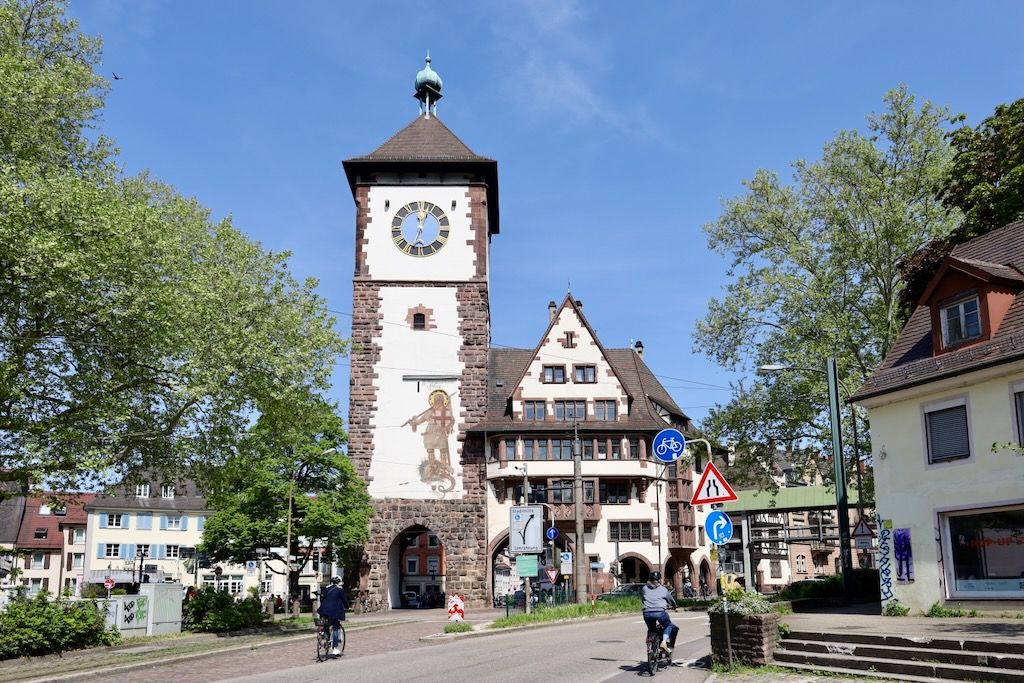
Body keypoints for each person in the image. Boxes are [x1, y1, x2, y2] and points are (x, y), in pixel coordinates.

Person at [641, 571, 678, 654]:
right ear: (660, 580)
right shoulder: (663, 589)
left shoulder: (644, 588)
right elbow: (671, 600)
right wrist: (674, 606)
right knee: (668, 626)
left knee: (651, 629)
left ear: (649, 579)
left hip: (647, 612)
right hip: (660, 612)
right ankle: (664, 643)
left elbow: (643, 599)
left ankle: (650, 644)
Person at [317, 577, 350, 656]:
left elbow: (323, 599)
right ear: (338, 582)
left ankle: (323, 634)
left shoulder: (326, 588)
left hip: (323, 611)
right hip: (333, 612)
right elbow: (344, 600)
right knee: (336, 628)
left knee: (326, 625)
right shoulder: (340, 590)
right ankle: (335, 648)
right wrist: (347, 606)